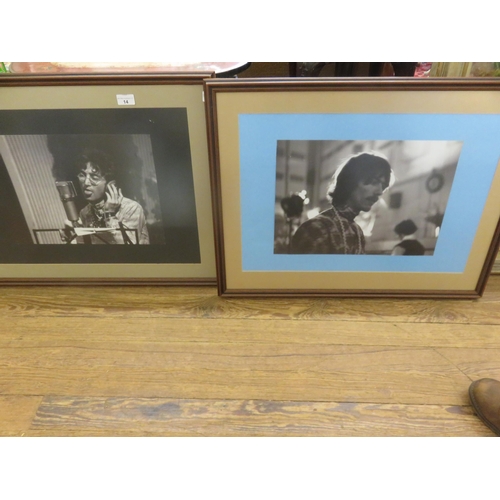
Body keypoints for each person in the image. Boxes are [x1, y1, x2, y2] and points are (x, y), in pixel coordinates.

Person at [291, 151, 394, 254]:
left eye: (383, 186)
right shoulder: (316, 228)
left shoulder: (357, 231)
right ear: (350, 182)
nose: (380, 192)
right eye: (373, 182)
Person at [66, 150, 149, 245]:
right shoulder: (85, 212)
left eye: (94, 177)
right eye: (82, 175)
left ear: (110, 184)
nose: (86, 183)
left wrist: (109, 215)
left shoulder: (131, 208)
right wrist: (71, 237)